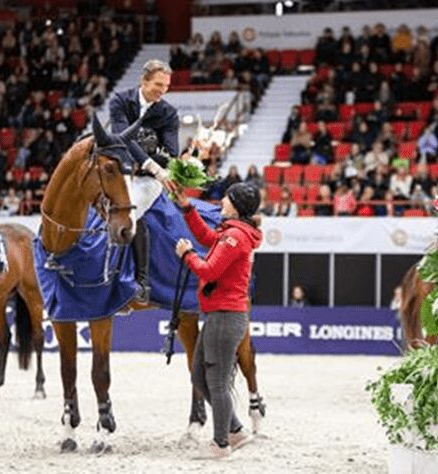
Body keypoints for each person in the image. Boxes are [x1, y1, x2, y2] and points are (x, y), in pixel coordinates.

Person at [173, 182, 263, 459]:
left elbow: (209, 270)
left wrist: (186, 255)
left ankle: (221, 444)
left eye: (227, 198)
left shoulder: (234, 237)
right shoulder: (232, 234)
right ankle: (235, 430)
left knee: (218, 381)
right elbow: (206, 238)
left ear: (235, 205)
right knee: (200, 375)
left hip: (225, 316)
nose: (222, 200)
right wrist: (187, 208)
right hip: (218, 315)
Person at [109, 59, 179, 303]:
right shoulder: (120, 100)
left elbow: (171, 154)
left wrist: (150, 163)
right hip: (119, 172)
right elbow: (122, 139)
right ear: (144, 80)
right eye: (158, 84)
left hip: (149, 180)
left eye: (166, 86)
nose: (162, 90)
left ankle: (141, 281)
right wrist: (150, 157)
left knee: (131, 211)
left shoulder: (168, 113)